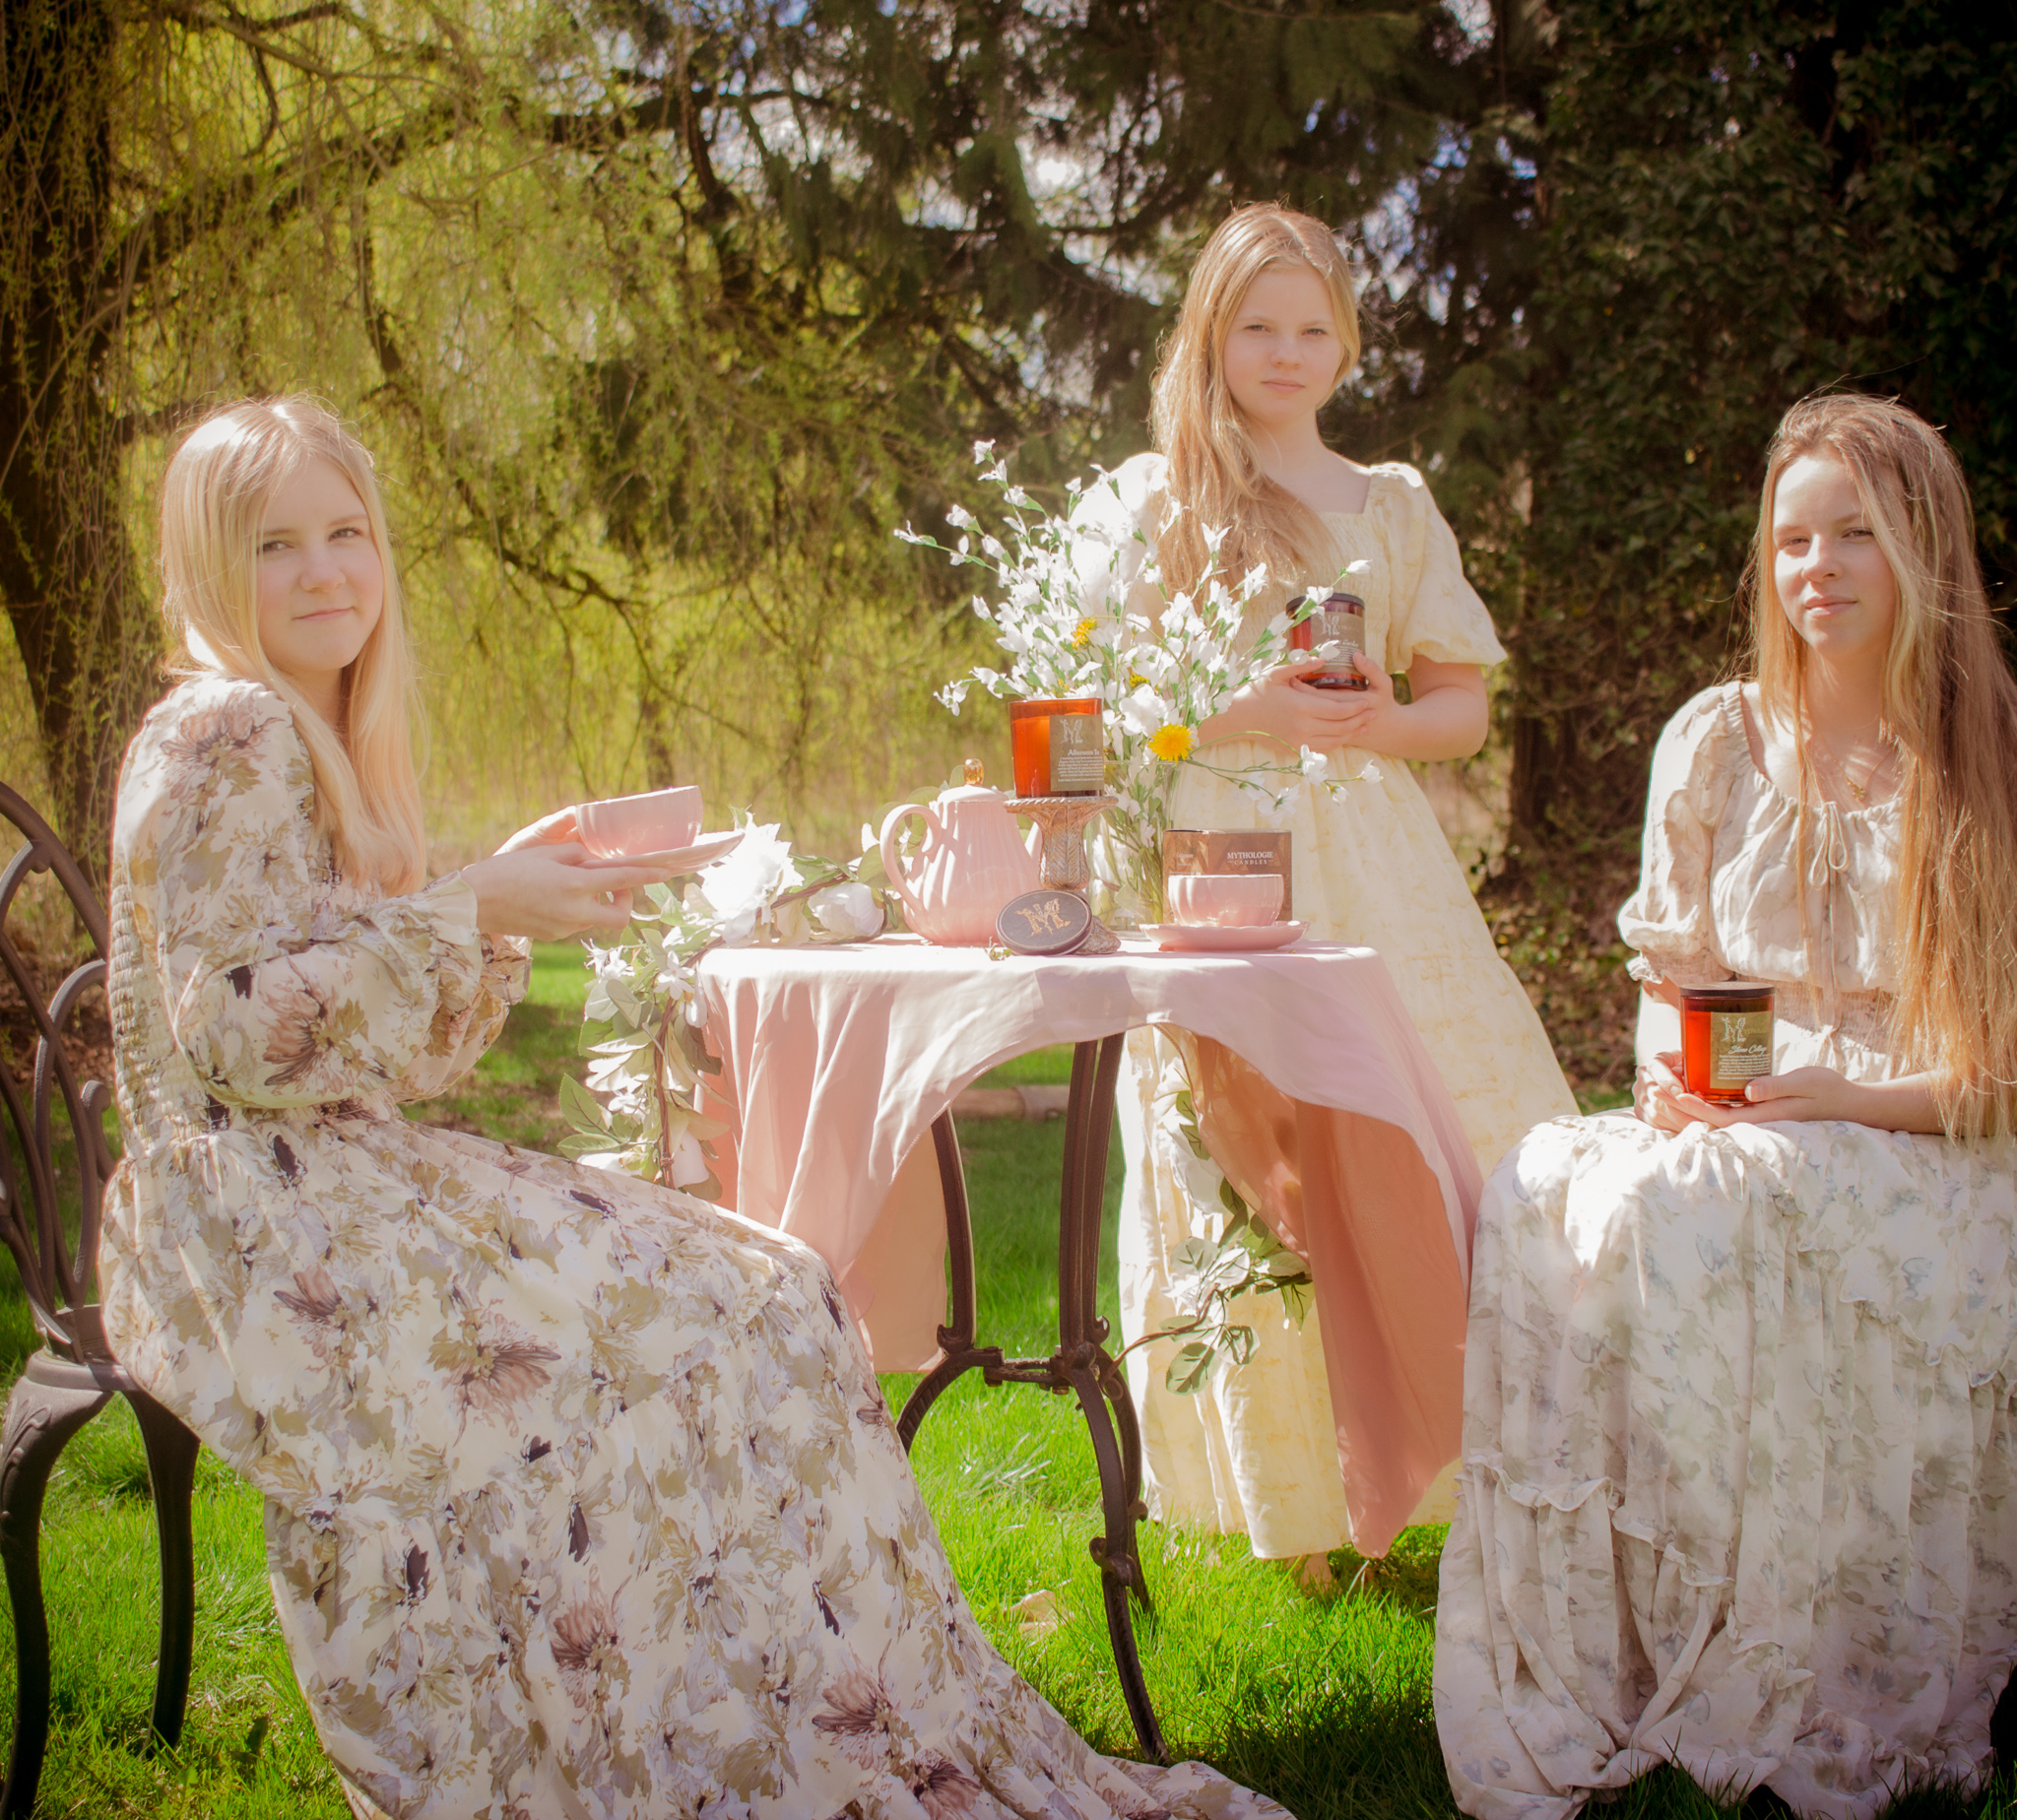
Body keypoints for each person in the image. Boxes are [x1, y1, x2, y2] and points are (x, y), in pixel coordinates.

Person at [99, 396, 1289, 1820]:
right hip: (253, 1230)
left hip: (321, 1176)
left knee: (768, 1286)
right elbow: (231, 1028)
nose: (324, 570)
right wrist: (472, 903)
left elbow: (392, 1050)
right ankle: (717, 1738)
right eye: (275, 544)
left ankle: (763, 1717)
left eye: (347, 532)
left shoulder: (311, 737)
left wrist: (490, 900)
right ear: (208, 568)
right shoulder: (230, 725)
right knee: (737, 1311)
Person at [1434, 392, 2017, 1820]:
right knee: (1556, 1184)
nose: (1815, 567)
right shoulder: (1718, 739)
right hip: (1744, 1112)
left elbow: (1998, 1074)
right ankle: (1603, 1652)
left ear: (1924, 550)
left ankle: (1793, 1656)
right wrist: (1669, 1073)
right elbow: (1677, 977)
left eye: (1854, 536)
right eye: (1791, 539)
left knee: (1726, 1212)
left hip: (1927, 1132)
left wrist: (1845, 1099)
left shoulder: (1991, 755)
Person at [1080, 203, 1575, 1566]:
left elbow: (1461, 706)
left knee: (1432, 1122)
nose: (1285, 352)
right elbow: (1104, 704)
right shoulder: (1157, 501)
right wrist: (1241, 713)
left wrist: (1370, 725)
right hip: (1217, 852)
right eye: (1257, 325)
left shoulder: (1389, 503)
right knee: (1250, 1146)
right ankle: (1294, 1502)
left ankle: (1486, 1465)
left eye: (1311, 327)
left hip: (1373, 860)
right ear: (1211, 337)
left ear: (1348, 343)